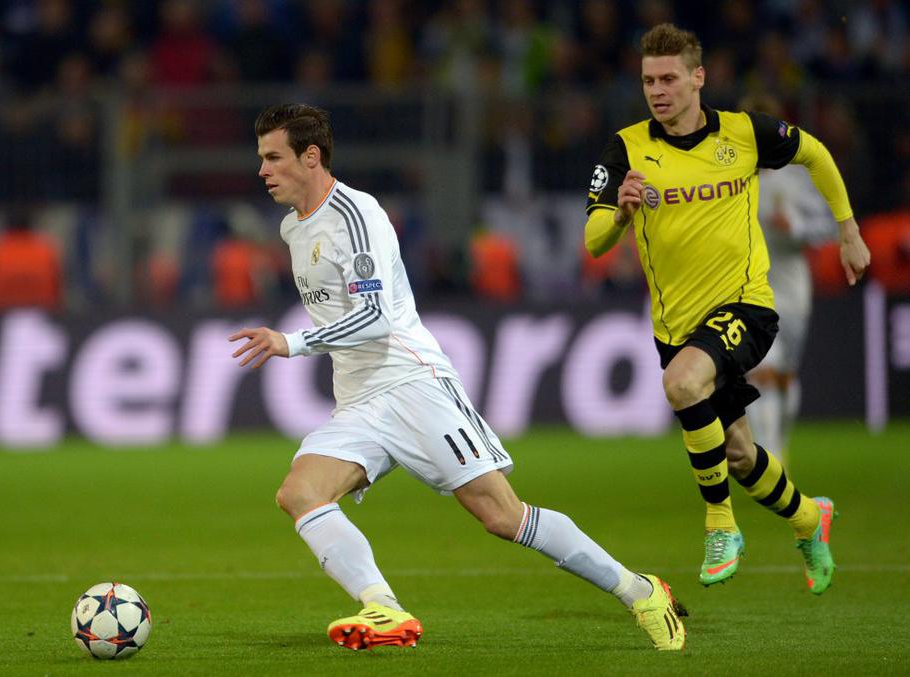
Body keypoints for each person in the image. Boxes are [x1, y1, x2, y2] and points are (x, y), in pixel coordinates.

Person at [229, 103, 687, 652]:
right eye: (261, 158)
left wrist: (292, 342)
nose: (263, 170)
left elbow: (376, 319)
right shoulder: (293, 227)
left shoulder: (357, 214)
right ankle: (385, 609)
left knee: (503, 516)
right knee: (300, 492)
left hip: (412, 384)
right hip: (358, 399)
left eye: (273, 157)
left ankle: (640, 591)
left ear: (311, 157)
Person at [583, 24, 870, 594]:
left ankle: (720, 526)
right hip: (677, 326)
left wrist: (848, 229)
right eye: (648, 81)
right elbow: (593, 241)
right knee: (738, 454)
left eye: (668, 79)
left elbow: (815, 153)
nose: (657, 91)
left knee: (681, 382)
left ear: (698, 78)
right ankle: (809, 518)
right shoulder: (626, 149)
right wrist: (620, 214)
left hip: (746, 306)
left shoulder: (744, 133)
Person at [739, 93, 838, 462]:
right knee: (761, 372)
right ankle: (771, 458)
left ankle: (779, 444)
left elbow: (827, 226)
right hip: (750, 287)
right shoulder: (730, 178)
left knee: (784, 377)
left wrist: (794, 226)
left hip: (792, 288)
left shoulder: (796, 176)